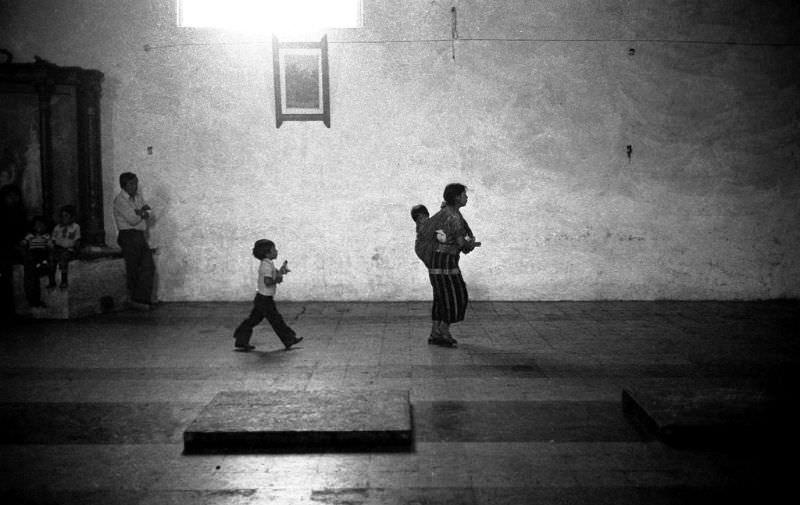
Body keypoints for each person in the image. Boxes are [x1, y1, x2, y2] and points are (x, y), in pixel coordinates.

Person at [426, 183, 480, 347]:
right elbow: (461, 243)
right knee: (457, 296)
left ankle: (435, 332)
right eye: (463, 195)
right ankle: (444, 331)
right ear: (456, 197)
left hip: (435, 259)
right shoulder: (454, 217)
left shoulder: (444, 211)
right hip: (447, 261)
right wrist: (470, 245)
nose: (466, 197)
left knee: (441, 296)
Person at [232, 239, 303, 352]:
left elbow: (274, 275)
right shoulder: (266, 266)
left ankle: (241, 338)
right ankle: (289, 339)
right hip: (264, 299)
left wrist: (281, 271)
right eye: (274, 250)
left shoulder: (268, 264)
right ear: (267, 253)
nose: (276, 251)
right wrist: (277, 279)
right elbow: (268, 281)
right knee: (276, 320)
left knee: (253, 320)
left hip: (262, 298)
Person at [113, 172, 155, 310]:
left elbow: (149, 212)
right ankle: (135, 299)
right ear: (124, 185)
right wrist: (142, 212)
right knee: (134, 267)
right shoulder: (120, 201)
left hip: (139, 235)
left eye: (136, 183)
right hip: (128, 235)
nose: (135, 186)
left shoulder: (137, 197)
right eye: (132, 183)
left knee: (148, 266)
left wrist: (141, 212)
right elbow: (132, 220)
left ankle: (143, 299)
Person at [0, 184, 28, 319]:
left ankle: (9, 311)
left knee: (7, 279)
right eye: (10, 196)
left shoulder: (18, 212)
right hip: (5, 248)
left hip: (10, 249)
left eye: (15, 196)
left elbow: (21, 230)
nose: (13, 199)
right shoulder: (4, 213)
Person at [22, 216, 56, 301]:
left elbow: (50, 245)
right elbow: (24, 242)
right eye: (37, 225)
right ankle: (37, 264)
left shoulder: (46, 236)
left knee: (42, 258)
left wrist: (50, 245)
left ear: (45, 227)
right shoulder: (30, 235)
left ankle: (41, 264)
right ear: (33, 226)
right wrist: (24, 243)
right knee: (31, 257)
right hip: (32, 253)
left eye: (41, 225)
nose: (39, 227)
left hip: (42, 253)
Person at [50, 205, 81, 289]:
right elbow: (53, 239)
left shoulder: (75, 227)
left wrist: (76, 249)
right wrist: (52, 245)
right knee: (51, 259)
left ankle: (64, 280)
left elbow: (77, 239)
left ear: (71, 217)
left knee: (63, 258)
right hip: (58, 248)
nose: (64, 218)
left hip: (68, 249)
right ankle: (52, 281)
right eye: (62, 216)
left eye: (66, 216)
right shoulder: (57, 227)